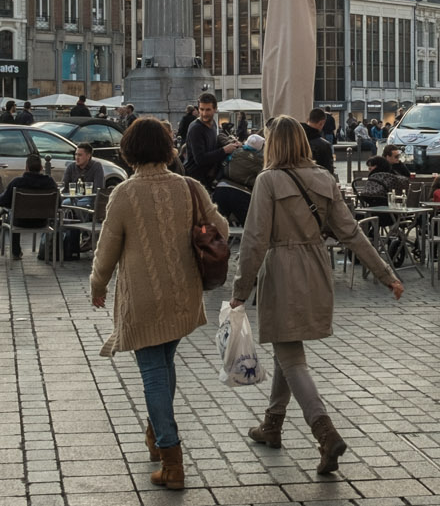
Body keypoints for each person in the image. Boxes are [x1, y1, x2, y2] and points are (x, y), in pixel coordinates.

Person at [233, 115, 400, 475]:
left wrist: (239, 291)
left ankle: (325, 433)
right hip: (316, 268)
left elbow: (254, 240)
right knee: (286, 346)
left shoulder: (268, 180)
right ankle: (272, 426)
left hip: (282, 269)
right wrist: (386, 275)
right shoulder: (324, 178)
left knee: (291, 356)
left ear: (274, 145)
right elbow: (351, 233)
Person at [89, 117, 226, 490]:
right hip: (184, 295)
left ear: (129, 150)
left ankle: (171, 459)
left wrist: (97, 285)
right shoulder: (190, 187)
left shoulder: (125, 194)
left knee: (152, 373)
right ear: (168, 149)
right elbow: (223, 230)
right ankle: (156, 433)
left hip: (143, 298)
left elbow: (107, 249)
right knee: (163, 364)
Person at [0, 154, 60, 260]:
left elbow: (3, 201)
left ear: (26, 167)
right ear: (41, 168)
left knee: (11, 214)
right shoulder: (50, 182)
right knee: (13, 214)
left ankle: (16, 252)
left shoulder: (17, 182)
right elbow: (58, 203)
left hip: (19, 222)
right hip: (42, 222)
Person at [184, 93, 236, 189]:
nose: (204, 113)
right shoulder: (196, 128)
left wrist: (231, 143)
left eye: (208, 110)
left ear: (215, 109)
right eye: (201, 109)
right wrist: (224, 150)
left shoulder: (213, 124)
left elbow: (212, 147)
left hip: (207, 177)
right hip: (195, 180)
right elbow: (200, 159)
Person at [212, 135, 264, 225]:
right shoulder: (260, 160)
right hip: (242, 193)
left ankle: (208, 236)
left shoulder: (236, 151)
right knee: (250, 226)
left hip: (221, 188)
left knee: (216, 224)